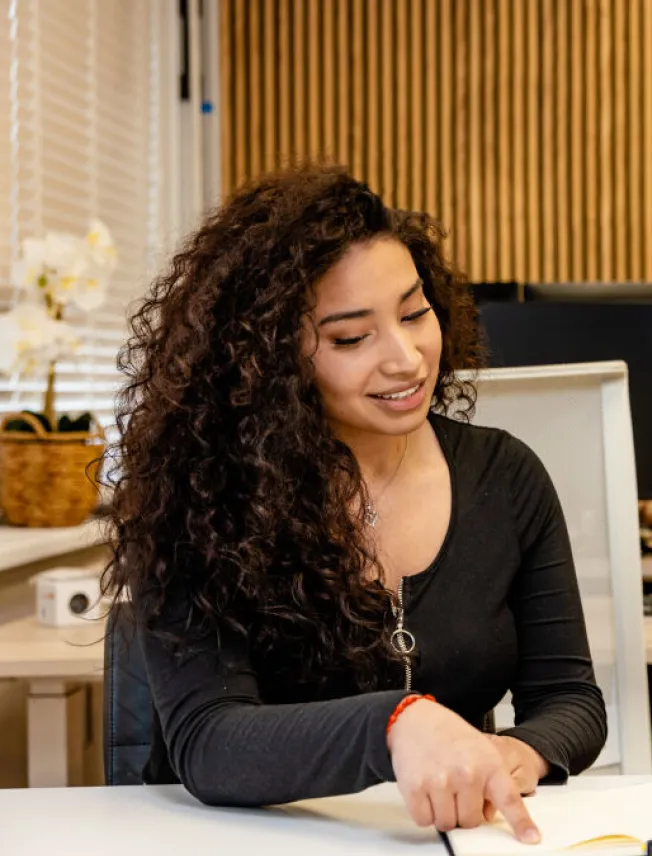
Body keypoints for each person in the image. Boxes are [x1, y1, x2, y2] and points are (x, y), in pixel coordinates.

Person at [102, 166, 606, 841]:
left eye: (414, 312)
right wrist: (397, 723)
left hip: (437, 838)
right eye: (350, 338)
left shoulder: (505, 477)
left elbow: (570, 700)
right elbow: (211, 740)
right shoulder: (202, 496)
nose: (405, 358)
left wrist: (521, 752)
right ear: (271, 359)